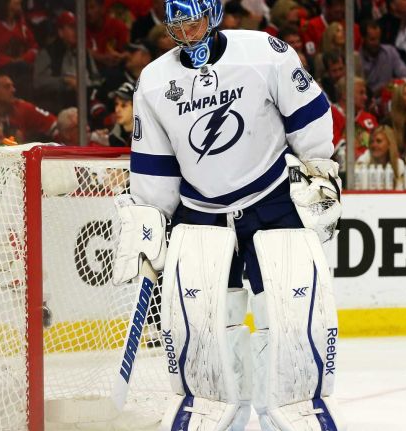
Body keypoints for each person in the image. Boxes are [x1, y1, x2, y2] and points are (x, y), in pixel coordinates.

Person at [113, 1, 343, 430]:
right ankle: (219, 415)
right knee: (204, 328)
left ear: (215, 13)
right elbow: (154, 164)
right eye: (177, 23)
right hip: (201, 213)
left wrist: (318, 164)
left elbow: (308, 114)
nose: (186, 31)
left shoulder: (263, 52)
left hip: (272, 201)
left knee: (289, 320)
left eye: (193, 19)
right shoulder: (154, 81)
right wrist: (151, 216)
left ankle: (288, 412)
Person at [0, 72, 59, 142]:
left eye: (12, 86)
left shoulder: (22, 107)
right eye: (7, 87)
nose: (13, 90)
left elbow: (55, 126)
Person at [359, 19, 406, 95]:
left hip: (390, 96)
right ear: (363, 39)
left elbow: (404, 77)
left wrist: (390, 87)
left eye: (378, 39)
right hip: (367, 99)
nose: (377, 43)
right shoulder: (357, 59)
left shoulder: (390, 51)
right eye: (372, 39)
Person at [108, 82, 134, 147]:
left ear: (136, 108)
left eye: (123, 105)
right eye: (116, 104)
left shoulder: (148, 137)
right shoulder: (111, 138)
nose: (117, 110)